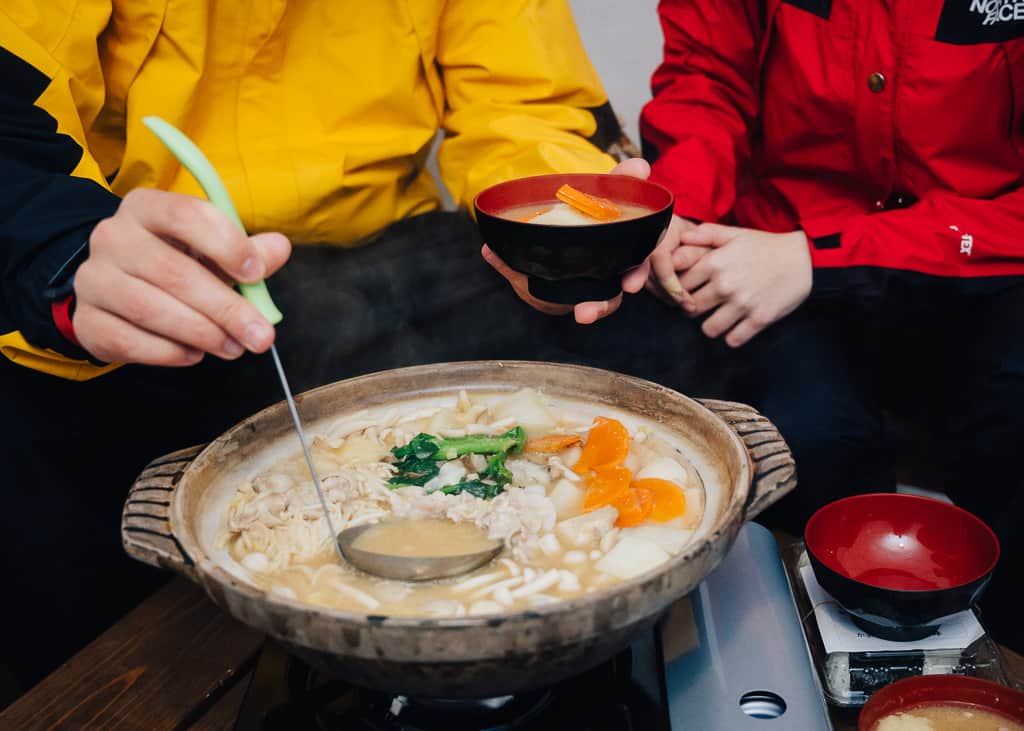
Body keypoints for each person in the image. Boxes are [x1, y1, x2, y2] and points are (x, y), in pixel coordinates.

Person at [0, 1, 709, 698]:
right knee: (75, 616)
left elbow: (527, 101)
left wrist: (560, 231)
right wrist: (61, 252)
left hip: (371, 275)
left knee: (658, 325)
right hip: (129, 271)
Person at [636, 0, 1023, 649]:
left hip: (984, 253)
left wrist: (827, 254)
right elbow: (706, 76)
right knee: (802, 437)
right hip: (779, 245)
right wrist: (680, 209)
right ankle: (807, 668)